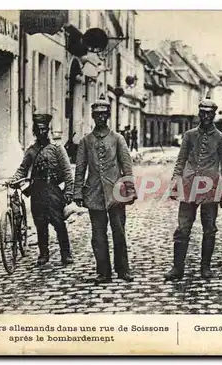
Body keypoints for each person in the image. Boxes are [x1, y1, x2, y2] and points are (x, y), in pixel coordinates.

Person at [164, 98, 222, 281]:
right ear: (199, 114)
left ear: (214, 114)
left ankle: (205, 267)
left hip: (210, 189)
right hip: (189, 187)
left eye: (209, 113)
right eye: (203, 112)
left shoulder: (221, 139)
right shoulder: (189, 135)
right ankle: (177, 268)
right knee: (182, 228)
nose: (206, 116)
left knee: (209, 228)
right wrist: (175, 183)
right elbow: (180, 161)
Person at [74, 96, 137, 284]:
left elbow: (127, 166)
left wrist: (130, 189)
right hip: (94, 194)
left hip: (116, 193)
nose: (100, 118)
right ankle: (103, 271)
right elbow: (80, 168)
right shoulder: (86, 141)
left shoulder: (118, 139)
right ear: (93, 117)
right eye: (97, 115)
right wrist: (78, 192)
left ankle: (123, 269)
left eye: (103, 115)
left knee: (119, 232)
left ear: (108, 116)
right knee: (97, 235)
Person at [11, 114, 74, 266]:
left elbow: (67, 171)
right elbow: (23, 169)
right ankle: (43, 254)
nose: (41, 132)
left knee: (58, 222)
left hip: (52, 190)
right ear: (34, 131)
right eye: (38, 129)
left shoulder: (57, 149)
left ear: (48, 130)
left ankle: (66, 254)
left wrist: (69, 192)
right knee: (40, 223)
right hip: (36, 191)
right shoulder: (31, 150)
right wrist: (14, 180)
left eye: (44, 129)